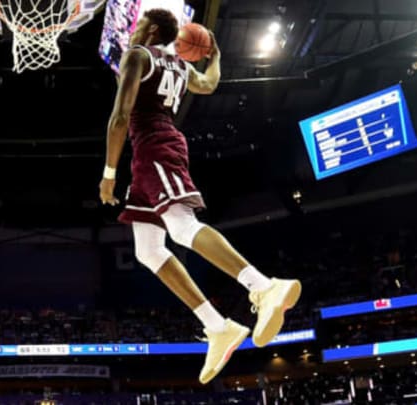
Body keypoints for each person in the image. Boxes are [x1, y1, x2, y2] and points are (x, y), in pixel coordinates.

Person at [99, 9, 302, 384]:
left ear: (155, 29)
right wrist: (218, 58)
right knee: (147, 250)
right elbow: (208, 84)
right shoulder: (178, 66)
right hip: (153, 151)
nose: (135, 29)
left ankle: (264, 286)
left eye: (141, 24)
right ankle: (217, 325)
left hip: (155, 145)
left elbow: (119, 117)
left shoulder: (138, 55)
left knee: (181, 226)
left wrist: (108, 174)